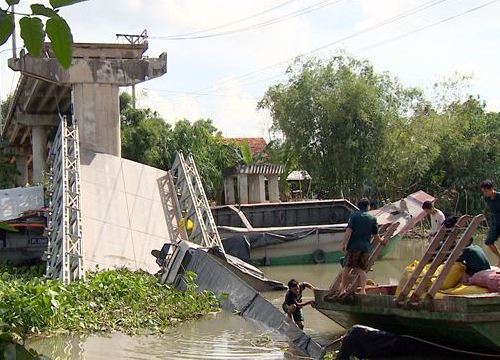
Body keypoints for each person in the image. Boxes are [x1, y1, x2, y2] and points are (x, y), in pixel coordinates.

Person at [338, 198, 387, 296]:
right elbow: (376, 235)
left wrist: (343, 244)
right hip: (365, 248)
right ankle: (363, 290)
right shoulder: (372, 218)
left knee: (347, 267)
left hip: (353, 246)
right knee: (361, 269)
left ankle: (343, 289)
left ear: (358, 206)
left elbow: (349, 231)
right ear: (368, 206)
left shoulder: (354, 216)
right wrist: (382, 241)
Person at [481, 180, 500, 266]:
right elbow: (490, 210)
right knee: (488, 242)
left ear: (492, 189)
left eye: (486, 191)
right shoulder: (486, 198)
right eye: (483, 191)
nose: (485, 193)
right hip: (495, 222)